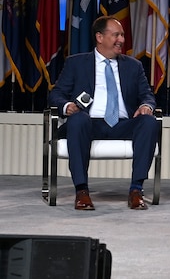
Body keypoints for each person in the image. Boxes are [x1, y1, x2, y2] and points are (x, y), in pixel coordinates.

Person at [48, 16, 159, 211]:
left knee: (149, 122)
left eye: (123, 35)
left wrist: (147, 106)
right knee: (78, 119)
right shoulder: (76, 63)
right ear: (99, 37)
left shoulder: (134, 66)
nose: (122, 40)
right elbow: (56, 93)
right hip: (89, 123)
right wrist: (66, 106)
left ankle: (136, 190)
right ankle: (82, 191)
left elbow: (147, 95)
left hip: (123, 123)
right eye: (116, 35)